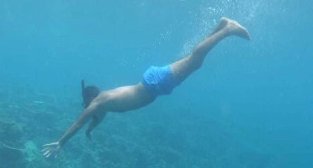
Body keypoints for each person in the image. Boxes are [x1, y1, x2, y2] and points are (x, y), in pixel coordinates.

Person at [42, 17, 250, 158]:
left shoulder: (98, 103)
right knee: (192, 60)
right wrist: (91, 130)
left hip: (154, 84)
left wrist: (61, 142)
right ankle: (222, 25)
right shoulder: (102, 104)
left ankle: (227, 30)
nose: (86, 108)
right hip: (153, 84)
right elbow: (96, 119)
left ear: (89, 99)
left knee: (194, 61)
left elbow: (78, 123)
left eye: (85, 105)